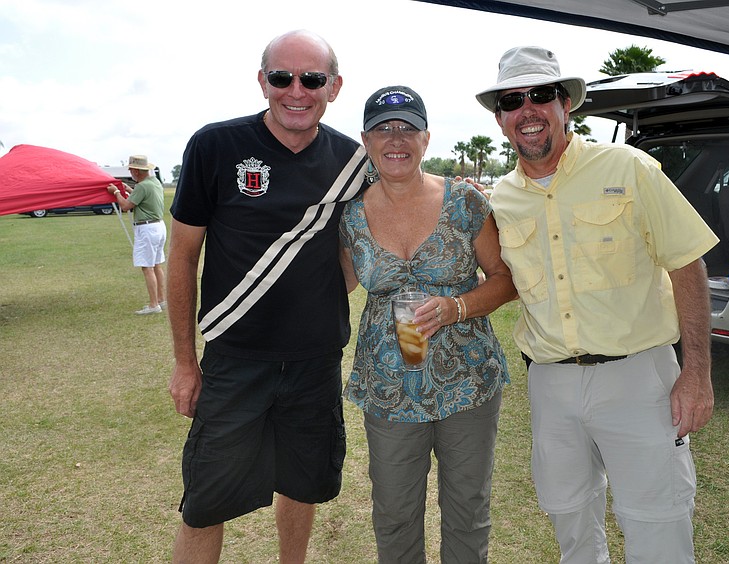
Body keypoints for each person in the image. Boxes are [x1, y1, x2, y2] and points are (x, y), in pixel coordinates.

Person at [475, 46, 719, 563]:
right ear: (500, 119)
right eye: (512, 100)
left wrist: (697, 371)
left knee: (658, 524)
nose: (527, 109)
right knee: (571, 523)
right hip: (550, 384)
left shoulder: (628, 167)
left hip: (638, 378)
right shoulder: (501, 199)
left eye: (540, 95)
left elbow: (687, 263)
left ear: (565, 104)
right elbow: (504, 279)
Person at [166, 30, 368, 563]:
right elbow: (182, 256)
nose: (296, 91)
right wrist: (185, 362)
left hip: (315, 362)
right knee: (204, 504)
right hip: (234, 361)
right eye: (282, 77)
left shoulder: (353, 162)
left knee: (302, 486)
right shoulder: (215, 146)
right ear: (262, 81)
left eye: (312, 79)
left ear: (334, 87)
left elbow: (363, 248)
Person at [339, 85, 516, 563]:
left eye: (407, 128)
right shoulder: (350, 215)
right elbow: (338, 285)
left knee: (467, 509)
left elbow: (505, 280)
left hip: (468, 384)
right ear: (366, 140)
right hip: (388, 388)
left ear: (426, 138)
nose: (396, 139)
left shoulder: (465, 202)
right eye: (383, 129)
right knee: (394, 512)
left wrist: (456, 307)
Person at [107, 155, 166, 315]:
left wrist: (116, 192)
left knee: (147, 267)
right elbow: (142, 197)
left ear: (136, 171)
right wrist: (128, 190)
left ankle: (153, 305)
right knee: (156, 265)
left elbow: (126, 206)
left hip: (147, 229)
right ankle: (161, 299)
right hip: (159, 226)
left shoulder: (142, 186)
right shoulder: (154, 182)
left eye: (131, 170)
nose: (130, 173)